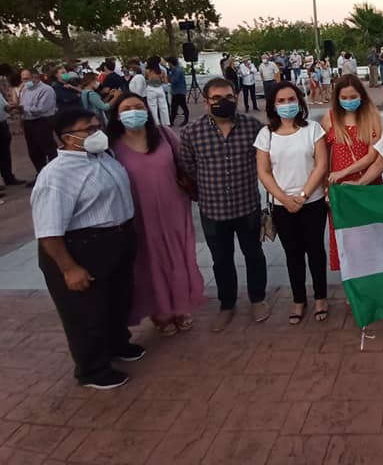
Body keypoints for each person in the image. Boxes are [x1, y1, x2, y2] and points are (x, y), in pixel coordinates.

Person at [31, 107, 142, 389]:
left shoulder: (103, 157)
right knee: (85, 312)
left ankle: (118, 343)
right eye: (88, 130)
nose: (97, 133)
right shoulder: (56, 175)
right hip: (81, 247)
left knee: (117, 300)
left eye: (98, 127)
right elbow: (48, 231)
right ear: (67, 138)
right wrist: (69, 268)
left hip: (115, 240)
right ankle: (92, 369)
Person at [108, 93, 204, 336]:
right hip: (138, 214)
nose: (133, 111)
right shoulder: (111, 145)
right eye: (127, 108)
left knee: (178, 256)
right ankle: (159, 312)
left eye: (138, 107)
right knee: (148, 262)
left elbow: (186, 163)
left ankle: (180, 307)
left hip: (174, 208)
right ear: (117, 115)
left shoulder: (164, 135)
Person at [179, 77, 269, 332]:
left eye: (228, 97)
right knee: (221, 260)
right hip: (213, 209)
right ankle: (227, 305)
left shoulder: (253, 127)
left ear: (236, 97)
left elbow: (264, 162)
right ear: (207, 102)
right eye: (216, 98)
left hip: (247, 206)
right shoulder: (191, 132)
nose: (223, 102)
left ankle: (258, 299)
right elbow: (188, 167)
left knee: (254, 254)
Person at [256, 81, 330, 324]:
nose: (287, 105)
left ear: (299, 102)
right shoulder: (266, 134)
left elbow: (321, 164)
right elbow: (264, 172)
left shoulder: (313, 129)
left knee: (316, 251)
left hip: (313, 201)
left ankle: (321, 297)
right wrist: (284, 198)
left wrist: (304, 195)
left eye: (291, 100)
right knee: (293, 254)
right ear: (273, 105)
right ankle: (299, 299)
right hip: (282, 206)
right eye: (281, 101)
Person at [320, 74, 383, 271]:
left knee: (370, 233)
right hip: (340, 190)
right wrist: (326, 187)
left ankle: (370, 277)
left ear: (362, 96)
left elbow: (372, 155)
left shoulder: (372, 117)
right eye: (344, 98)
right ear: (337, 98)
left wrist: (346, 172)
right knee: (345, 237)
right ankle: (350, 284)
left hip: (368, 184)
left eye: (353, 96)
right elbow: (323, 157)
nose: (349, 101)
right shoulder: (330, 119)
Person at [19, 68, 58, 181]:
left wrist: (23, 108)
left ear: (35, 77)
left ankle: (55, 174)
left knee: (48, 148)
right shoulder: (26, 89)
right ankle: (41, 173)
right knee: (33, 151)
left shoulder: (46, 90)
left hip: (42, 121)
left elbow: (41, 109)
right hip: (28, 122)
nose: (24, 81)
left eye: (26, 79)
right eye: (22, 79)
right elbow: (23, 104)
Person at [166, 56, 190, 126]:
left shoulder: (177, 70)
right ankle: (171, 121)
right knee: (174, 107)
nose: (168, 65)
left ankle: (185, 119)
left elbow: (174, 81)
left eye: (168, 63)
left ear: (171, 63)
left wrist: (169, 75)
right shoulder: (175, 70)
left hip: (179, 91)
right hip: (176, 91)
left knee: (183, 106)